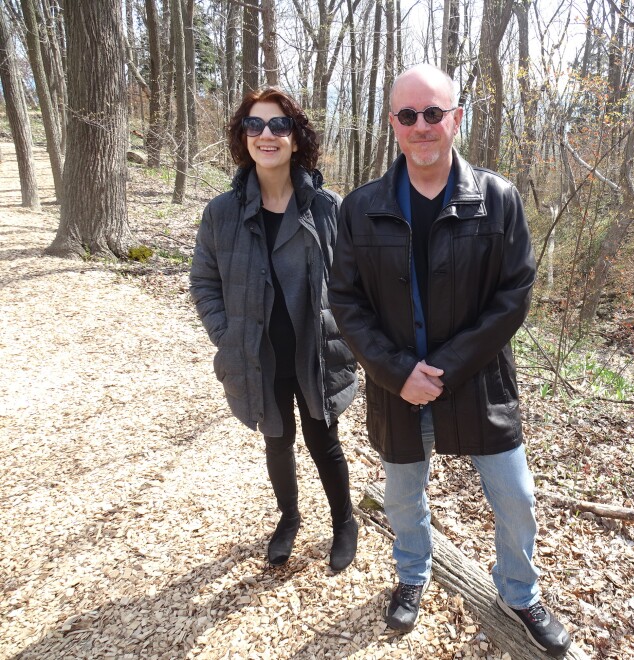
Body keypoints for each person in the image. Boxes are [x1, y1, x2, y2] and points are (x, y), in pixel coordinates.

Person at [329, 64, 571, 657]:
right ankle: (412, 572)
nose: (421, 126)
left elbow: (514, 296)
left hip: (479, 381)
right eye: (407, 115)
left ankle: (519, 590)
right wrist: (394, 371)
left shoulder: (496, 199)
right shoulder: (360, 208)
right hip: (397, 387)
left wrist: (446, 368)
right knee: (403, 496)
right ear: (392, 125)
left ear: (456, 119)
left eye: (433, 113)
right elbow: (346, 301)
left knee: (515, 497)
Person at [190, 88, 359, 572]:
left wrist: (343, 335)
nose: (267, 135)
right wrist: (228, 335)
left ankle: (344, 522)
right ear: (243, 136)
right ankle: (288, 519)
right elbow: (203, 282)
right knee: (276, 439)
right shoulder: (222, 214)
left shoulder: (327, 207)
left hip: (315, 351)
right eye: (255, 125)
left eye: (279, 125)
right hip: (257, 353)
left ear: (295, 137)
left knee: (323, 439)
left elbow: (353, 283)